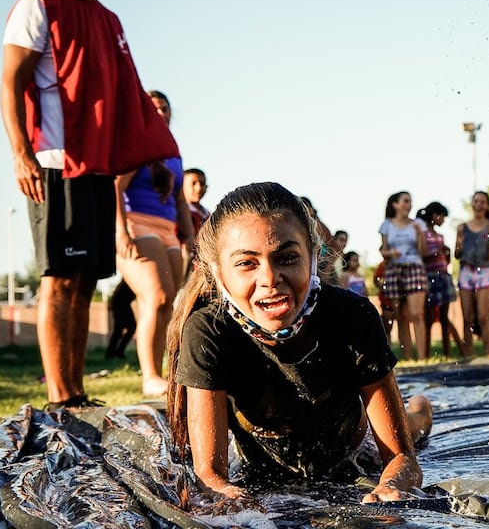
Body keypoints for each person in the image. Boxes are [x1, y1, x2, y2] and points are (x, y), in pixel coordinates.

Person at [0, 0, 178, 409]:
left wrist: (154, 158)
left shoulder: (109, 20)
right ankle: (59, 394)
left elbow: (127, 96)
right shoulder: (38, 6)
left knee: (85, 283)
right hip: (56, 161)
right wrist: (21, 153)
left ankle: (76, 391)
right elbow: (11, 81)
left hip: (100, 167)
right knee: (59, 278)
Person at [166, 182, 432, 502]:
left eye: (287, 257)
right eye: (247, 263)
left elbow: (402, 459)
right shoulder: (208, 330)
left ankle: (421, 410)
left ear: (314, 255)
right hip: (260, 455)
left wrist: (391, 485)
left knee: (412, 427)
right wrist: (227, 498)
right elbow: (209, 475)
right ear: (218, 272)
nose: (269, 279)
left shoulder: (352, 314)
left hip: (354, 447)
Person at [115, 90, 194, 397]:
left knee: (168, 304)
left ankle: (162, 373)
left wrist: (190, 237)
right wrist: (120, 231)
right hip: (137, 222)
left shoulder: (172, 151)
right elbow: (116, 186)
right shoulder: (134, 143)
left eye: (165, 109)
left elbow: (179, 199)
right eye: (153, 109)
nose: (160, 114)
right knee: (156, 297)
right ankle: (149, 376)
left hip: (167, 228)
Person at [379, 191, 429, 361]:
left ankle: (422, 357)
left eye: (410, 201)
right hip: (394, 269)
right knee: (401, 316)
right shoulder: (387, 225)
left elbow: (424, 252)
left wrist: (420, 234)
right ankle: (407, 357)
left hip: (414, 267)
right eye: (405, 201)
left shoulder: (418, 224)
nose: (409, 204)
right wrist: (390, 253)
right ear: (395, 204)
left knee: (417, 314)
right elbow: (383, 251)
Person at [455, 191, 489, 356]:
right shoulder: (462, 228)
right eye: (476, 201)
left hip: (484, 271)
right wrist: (459, 242)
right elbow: (457, 254)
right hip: (466, 271)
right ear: (472, 204)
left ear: (487, 206)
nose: (479, 204)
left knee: (483, 316)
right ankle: (469, 355)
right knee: (467, 317)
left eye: (483, 202)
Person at [416, 202, 462, 359]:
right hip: (428, 276)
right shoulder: (422, 233)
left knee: (444, 317)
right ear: (435, 215)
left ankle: (447, 353)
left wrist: (445, 253)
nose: (443, 220)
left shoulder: (439, 236)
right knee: (428, 318)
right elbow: (421, 254)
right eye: (442, 217)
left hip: (443, 275)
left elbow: (443, 256)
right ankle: (426, 353)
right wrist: (436, 252)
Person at [182, 167, 211, 281]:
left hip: (202, 264)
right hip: (184, 262)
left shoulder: (207, 214)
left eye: (202, 183)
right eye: (193, 184)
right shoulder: (179, 212)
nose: (198, 188)